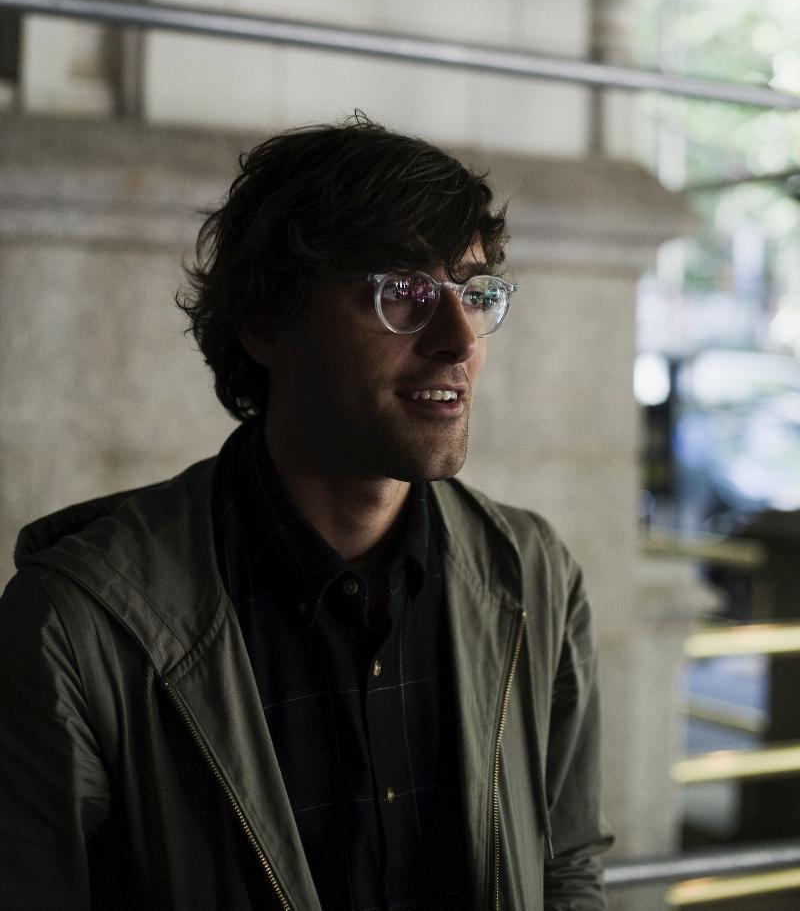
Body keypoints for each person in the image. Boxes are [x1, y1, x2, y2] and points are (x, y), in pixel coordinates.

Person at [0, 116, 612, 910]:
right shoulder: (78, 624)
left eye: (474, 293)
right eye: (403, 293)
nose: (459, 341)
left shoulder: (534, 575)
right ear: (266, 321)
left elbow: (566, 867)